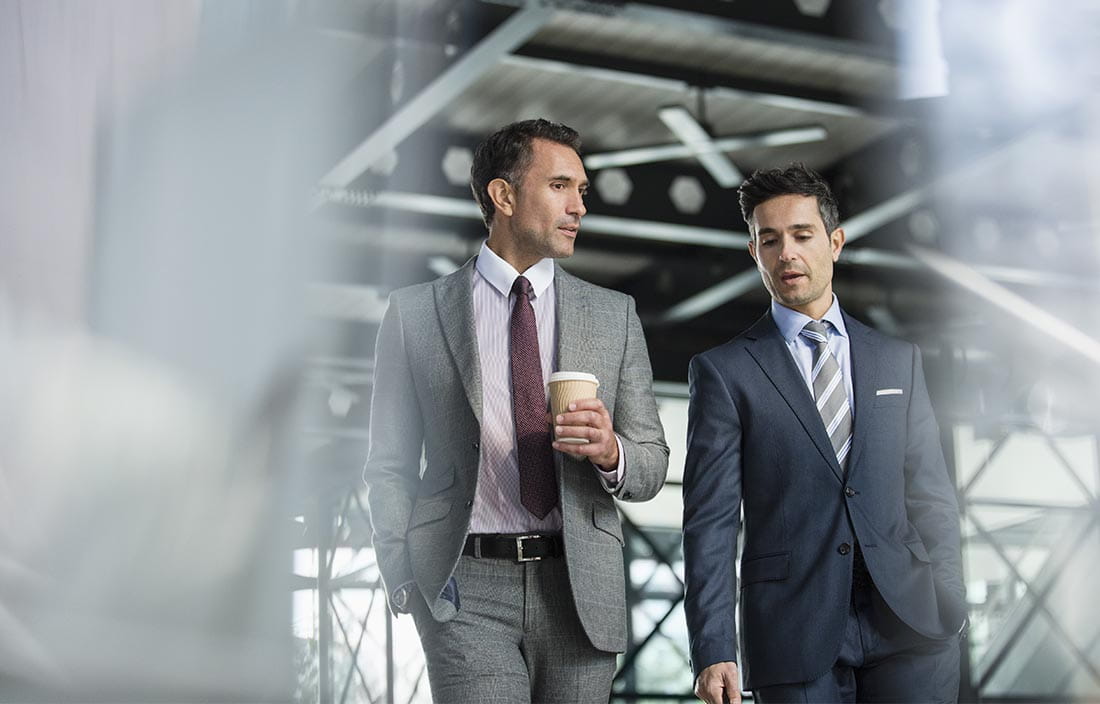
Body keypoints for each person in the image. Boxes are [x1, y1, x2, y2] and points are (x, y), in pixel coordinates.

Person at [364, 118, 669, 703]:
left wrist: (612, 453)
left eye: (582, 189)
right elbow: (389, 463)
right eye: (560, 186)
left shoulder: (614, 316)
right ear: (503, 195)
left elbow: (653, 461)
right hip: (464, 585)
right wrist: (402, 575)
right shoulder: (416, 315)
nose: (579, 205)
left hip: (580, 588)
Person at [682, 163, 966, 703]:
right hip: (793, 630)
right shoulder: (724, 372)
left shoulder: (896, 361)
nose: (786, 252)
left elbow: (931, 493)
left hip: (910, 623)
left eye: (802, 235)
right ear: (755, 253)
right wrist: (713, 644)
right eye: (770, 240)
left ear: (833, 242)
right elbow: (710, 522)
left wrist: (949, 597)